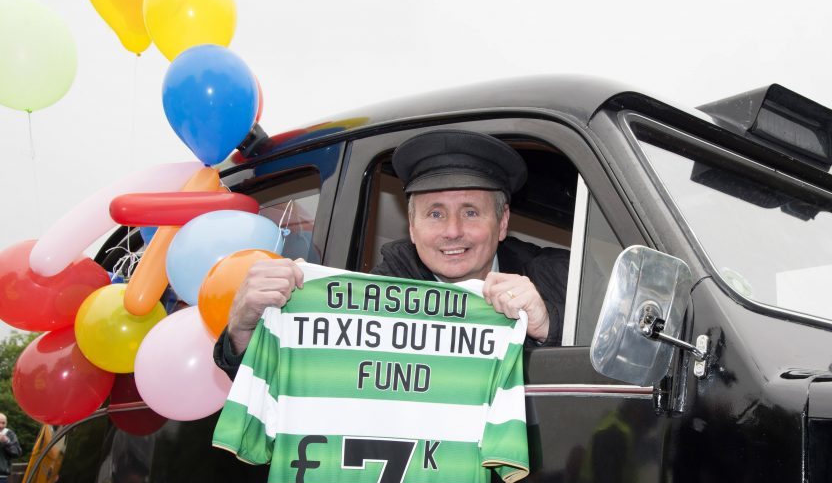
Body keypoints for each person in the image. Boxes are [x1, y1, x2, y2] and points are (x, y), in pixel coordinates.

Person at [214, 129, 569, 376]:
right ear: (412, 227)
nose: (453, 231)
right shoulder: (375, 296)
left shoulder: (557, 278)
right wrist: (242, 331)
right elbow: (292, 383)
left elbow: (613, 364)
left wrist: (547, 325)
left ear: (502, 221)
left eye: (471, 212)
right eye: (435, 213)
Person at [0, 413, 22, 483]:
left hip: (1, 477)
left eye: (3, 423)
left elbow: (17, 453)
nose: (1, 426)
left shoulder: (9, 434)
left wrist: (7, 442)